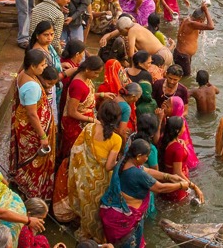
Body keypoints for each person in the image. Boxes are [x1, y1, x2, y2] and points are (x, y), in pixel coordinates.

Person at [99, 139, 193, 248]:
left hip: (113, 213)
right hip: (124, 220)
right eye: (146, 156)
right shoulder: (136, 173)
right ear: (139, 156)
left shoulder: (124, 161)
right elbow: (160, 188)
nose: (147, 159)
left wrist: (169, 176)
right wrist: (181, 185)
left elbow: (147, 171)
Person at [66, 100, 123, 241]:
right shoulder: (116, 139)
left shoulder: (89, 128)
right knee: (98, 211)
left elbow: (76, 150)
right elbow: (109, 166)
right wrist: (120, 162)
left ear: (100, 115)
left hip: (84, 177)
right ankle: (98, 238)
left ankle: (85, 234)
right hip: (101, 181)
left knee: (86, 208)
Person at [11, 49, 58, 202]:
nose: (44, 68)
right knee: (33, 161)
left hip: (27, 126)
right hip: (32, 131)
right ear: (32, 66)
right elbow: (31, 114)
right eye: (42, 65)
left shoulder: (24, 75)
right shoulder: (32, 86)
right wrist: (43, 136)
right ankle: (32, 191)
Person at [60, 55, 105, 163]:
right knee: (74, 157)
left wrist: (101, 94)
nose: (97, 76)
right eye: (95, 73)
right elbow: (72, 112)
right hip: (75, 125)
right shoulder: (78, 85)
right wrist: (92, 120)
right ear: (87, 69)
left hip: (83, 122)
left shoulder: (85, 78)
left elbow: (85, 99)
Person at [159, 115, 204, 204]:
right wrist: (195, 187)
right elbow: (177, 172)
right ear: (177, 131)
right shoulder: (177, 148)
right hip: (177, 185)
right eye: (183, 126)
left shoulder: (165, 141)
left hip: (170, 182)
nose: (185, 128)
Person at [175, 1, 213, 77]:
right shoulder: (192, 24)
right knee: (186, 78)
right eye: (202, 21)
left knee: (181, 76)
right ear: (199, 20)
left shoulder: (187, 20)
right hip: (183, 56)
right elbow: (211, 26)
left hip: (180, 54)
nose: (202, 23)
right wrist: (206, 11)